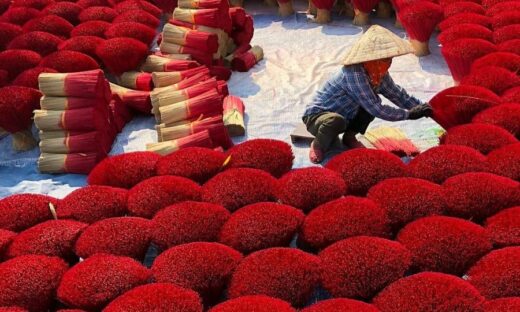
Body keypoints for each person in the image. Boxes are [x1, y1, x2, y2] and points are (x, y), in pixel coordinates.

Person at [302, 25, 433, 163]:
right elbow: (377, 108)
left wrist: (424, 108)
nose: (388, 63)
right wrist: (409, 115)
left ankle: (349, 137)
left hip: (347, 115)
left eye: (389, 59)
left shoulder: (378, 73)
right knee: (338, 120)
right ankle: (318, 144)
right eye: (384, 59)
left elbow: (397, 94)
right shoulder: (354, 73)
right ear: (371, 59)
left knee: (367, 108)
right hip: (319, 116)